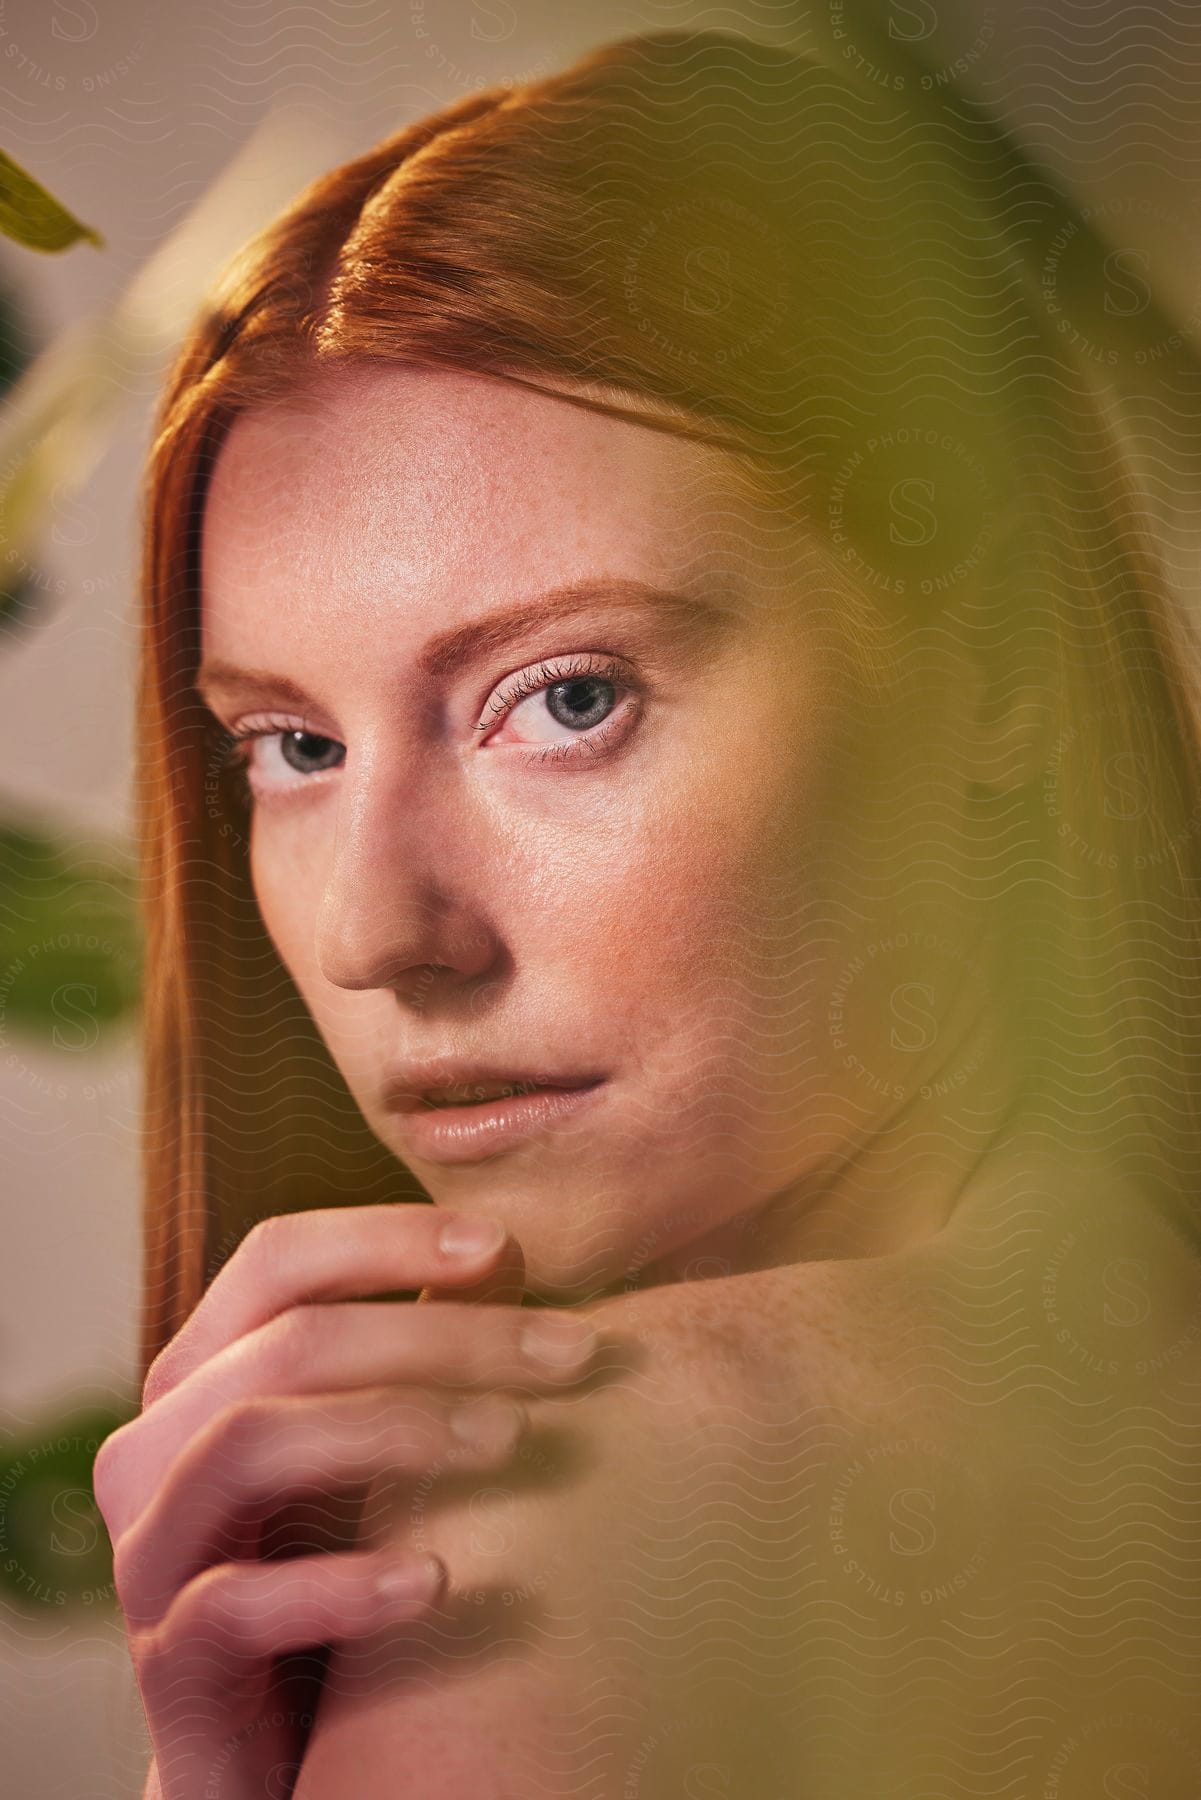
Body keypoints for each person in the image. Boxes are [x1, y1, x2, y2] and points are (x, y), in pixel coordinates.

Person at [93, 24, 1201, 1800]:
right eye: (291, 744)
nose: (384, 929)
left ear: (992, 661)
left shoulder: (589, 1496)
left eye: (567, 698)